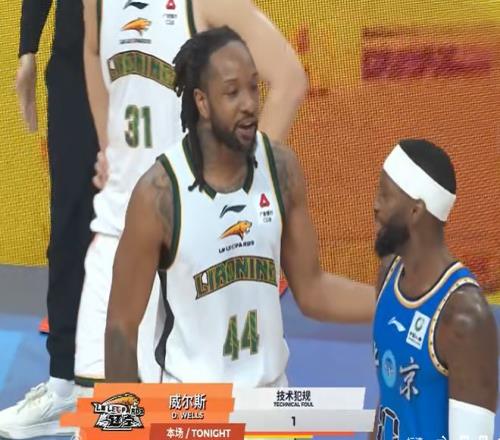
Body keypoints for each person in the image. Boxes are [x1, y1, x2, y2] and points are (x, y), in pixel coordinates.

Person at [105, 26, 375, 385]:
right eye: (232, 92)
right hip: (192, 404)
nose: (249, 103)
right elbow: (121, 326)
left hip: (271, 398)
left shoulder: (281, 169)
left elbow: (313, 291)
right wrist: (126, 414)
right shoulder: (158, 195)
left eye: (253, 87)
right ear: (202, 102)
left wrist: (398, 303)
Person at [75, 0, 309, 388]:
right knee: (104, 408)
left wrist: (246, 172)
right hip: (115, 229)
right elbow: (93, 49)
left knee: (184, 411)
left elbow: (289, 79)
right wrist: (107, 144)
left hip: (182, 245)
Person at [0, 0, 98, 438]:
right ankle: (65, 385)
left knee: (152, 223)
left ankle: (147, 387)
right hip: (75, 70)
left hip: (150, 69)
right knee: (70, 224)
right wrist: (28, 49)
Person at [372, 140, 498, 439]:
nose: (375, 205)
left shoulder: (464, 317)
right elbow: (390, 400)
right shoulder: (389, 275)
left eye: (385, 195)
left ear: (415, 211)